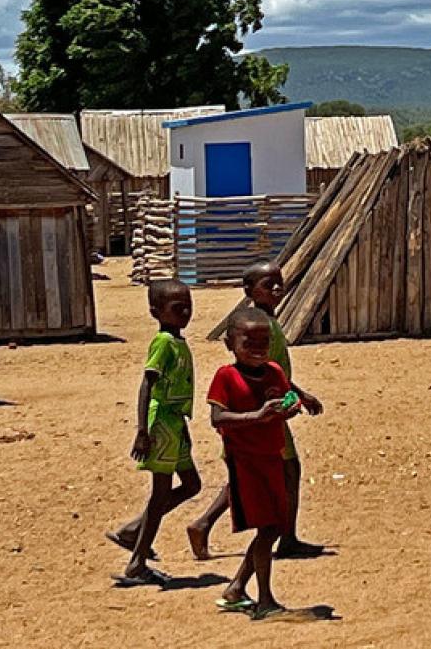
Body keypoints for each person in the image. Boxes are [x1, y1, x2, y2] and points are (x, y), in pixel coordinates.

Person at [188, 262, 324, 561]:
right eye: (268, 284)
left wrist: (298, 394)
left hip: (271, 406)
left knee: (249, 476)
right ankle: (284, 537)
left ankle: (205, 525)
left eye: (279, 282)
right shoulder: (256, 325)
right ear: (249, 291)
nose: (277, 288)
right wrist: (290, 396)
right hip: (261, 411)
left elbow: (274, 370)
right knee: (284, 471)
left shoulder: (267, 322)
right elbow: (261, 371)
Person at [208, 307, 306, 619]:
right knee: (267, 528)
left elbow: (290, 398)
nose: (258, 349)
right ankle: (264, 600)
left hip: (272, 459)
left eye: (264, 342)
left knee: (274, 527)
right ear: (230, 343)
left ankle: (237, 588)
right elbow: (218, 417)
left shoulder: (274, 372)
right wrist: (258, 416)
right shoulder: (227, 376)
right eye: (249, 342)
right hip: (245, 463)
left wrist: (291, 408)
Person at [108, 279, 202, 586]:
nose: (185, 312)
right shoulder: (163, 343)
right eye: (177, 308)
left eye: (188, 306)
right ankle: (136, 562)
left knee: (191, 485)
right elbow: (147, 385)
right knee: (160, 492)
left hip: (176, 422)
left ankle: (133, 530)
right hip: (160, 422)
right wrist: (142, 431)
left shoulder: (177, 341)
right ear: (156, 312)